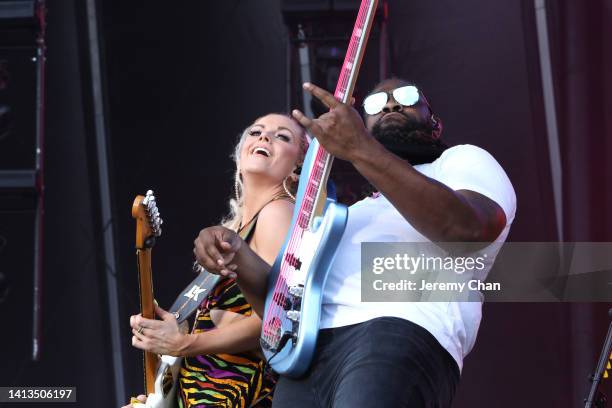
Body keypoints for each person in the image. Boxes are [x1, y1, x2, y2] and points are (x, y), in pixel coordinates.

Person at [193, 78, 517, 407]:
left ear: (435, 123)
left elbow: (465, 229)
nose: (391, 105)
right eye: (375, 106)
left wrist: (361, 148)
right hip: (307, 361)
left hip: (397, 331)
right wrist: (236, 253)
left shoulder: (461, 163)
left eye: (406, 97)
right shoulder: (350, 215)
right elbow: (284, 307)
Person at [126, 113, 309, 407]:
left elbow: (278, 319)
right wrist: (168, 331)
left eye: (282, 136)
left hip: (236, 390)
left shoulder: (278, 212)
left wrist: (185, 343)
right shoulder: (240, 227)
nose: (264, 137)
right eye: (256, 131)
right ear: (239, 156)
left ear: (299, 164)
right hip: (206, 390)